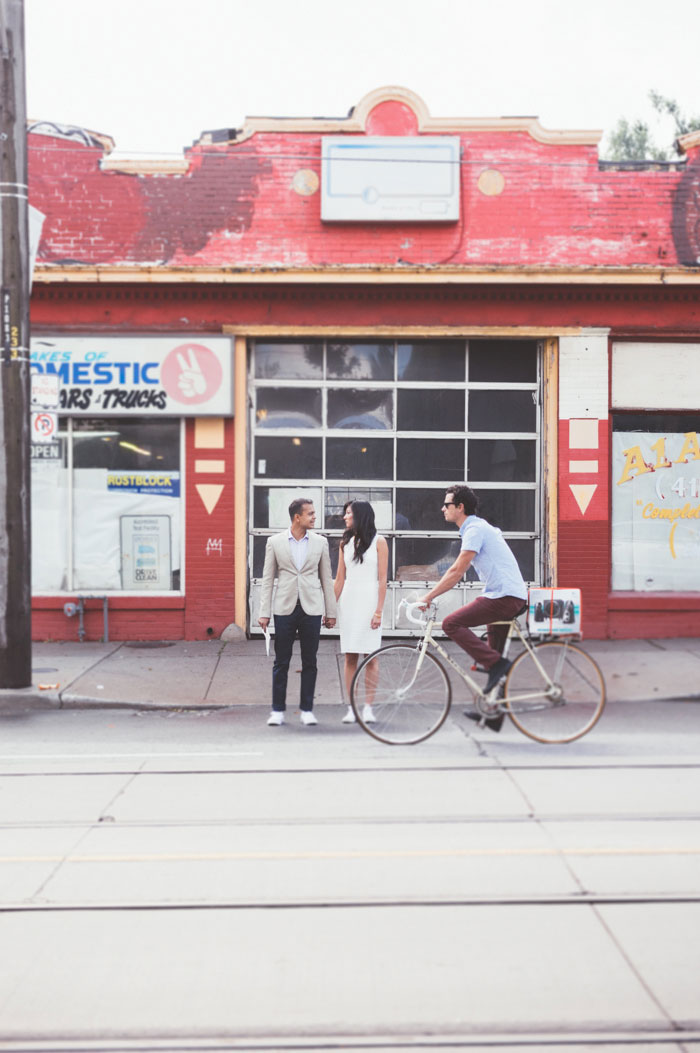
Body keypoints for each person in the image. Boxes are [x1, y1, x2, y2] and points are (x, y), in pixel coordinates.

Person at [418, 484, 528, 732]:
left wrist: (429, 596)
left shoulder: (475, 530)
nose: (442, 508)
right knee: (493, 662)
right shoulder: (476, 529)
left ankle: (498, 666)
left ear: (460, 507)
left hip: (504, 597)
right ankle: (494, 713)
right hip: (504, 595)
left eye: (446, 504)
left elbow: (457, 570)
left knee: (451, 624)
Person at [258, 497, 336, 726]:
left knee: (310, 660)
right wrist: (264, 612)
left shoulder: (320, 543)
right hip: (284, 607)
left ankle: (307, 709)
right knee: (282, 661)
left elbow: (326, 579)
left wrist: (331, 612)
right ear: (297, 517)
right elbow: (267, 579)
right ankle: (278, 710)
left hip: (311, 608)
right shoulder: (275, 542)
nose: (314, 517)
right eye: (310, 513)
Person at [334, 500, 388, 724]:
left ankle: (368, 707)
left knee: (371, 656)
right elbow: (339, 579)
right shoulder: (344, 543)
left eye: (348, 513)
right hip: (349, 602)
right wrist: (328, 609)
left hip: (369, 602)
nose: (345, 517)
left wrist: (378, 611)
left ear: (360, 516)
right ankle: (351, 706)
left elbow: (383, 579)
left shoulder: (379, 541)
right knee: (350, 656)